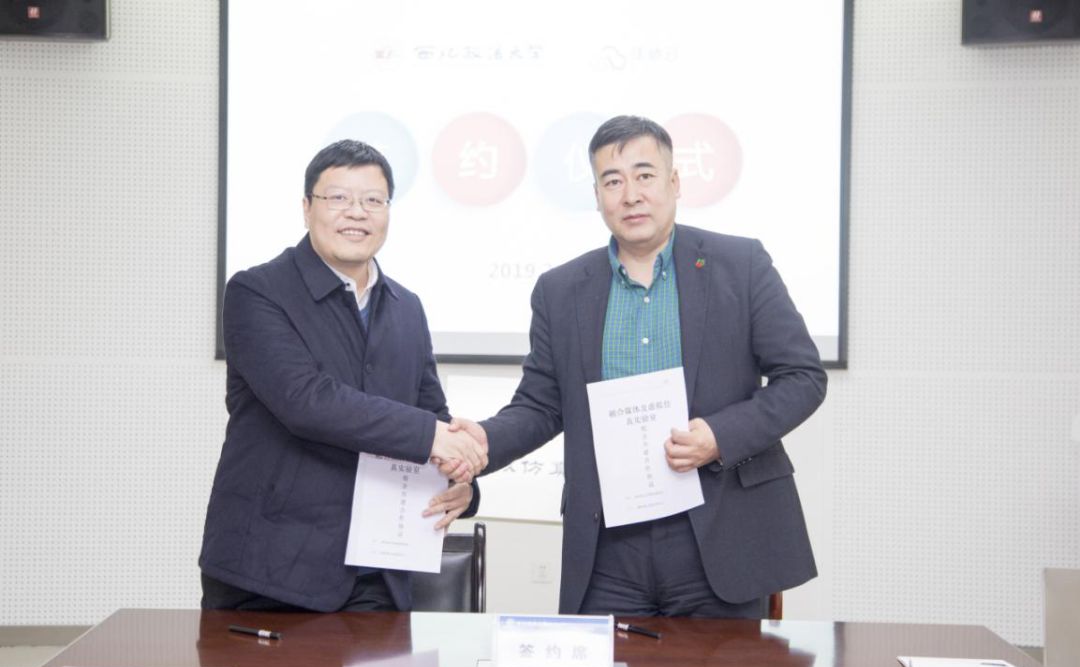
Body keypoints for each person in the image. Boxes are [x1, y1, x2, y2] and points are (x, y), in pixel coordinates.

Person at [453, 115, 827, 617]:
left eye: (645, 175)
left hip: (719, 532)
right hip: (609, 547)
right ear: (597, 196)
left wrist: (719, 435)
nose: (630, 195)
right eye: (613, 181)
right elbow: (542, 405)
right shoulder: (561, 291)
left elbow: (802, 377)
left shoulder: (740, 265)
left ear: (674, 182)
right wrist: (482, 441)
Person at [199, 139, 486, 612]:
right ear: (306, 208)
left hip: (377, 572)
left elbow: (431, 412)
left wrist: (461, 483)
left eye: (373, 200)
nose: (357, 213)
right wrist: (433, 437)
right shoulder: (256, 292)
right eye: (338, 198)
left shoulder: (407, 307)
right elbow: (306, 401)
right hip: (269, 571)